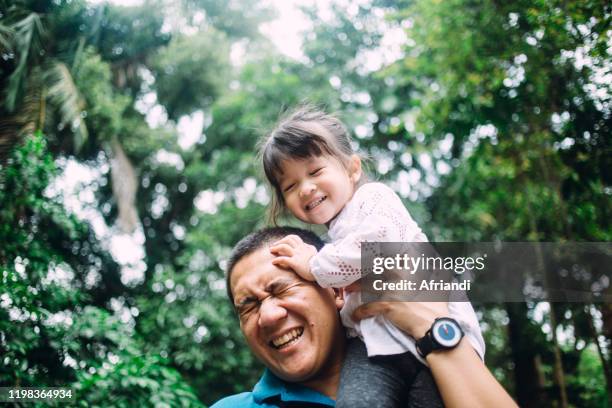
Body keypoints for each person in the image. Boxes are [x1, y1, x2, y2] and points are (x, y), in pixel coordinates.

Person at [257, 107, 484, 407]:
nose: (306, 188)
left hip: (431, 340)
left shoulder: (373, 199)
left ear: (352, 169)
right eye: (290, 185)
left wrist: (314, 265)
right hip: (372, 347)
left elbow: (380, 246)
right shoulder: (332, 242)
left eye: (315, 171)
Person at [211, 226, 517, 407]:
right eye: (248, 306)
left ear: (337, 291)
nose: (267, 316)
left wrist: (432, 331)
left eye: (281, 290)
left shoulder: (430, 373)